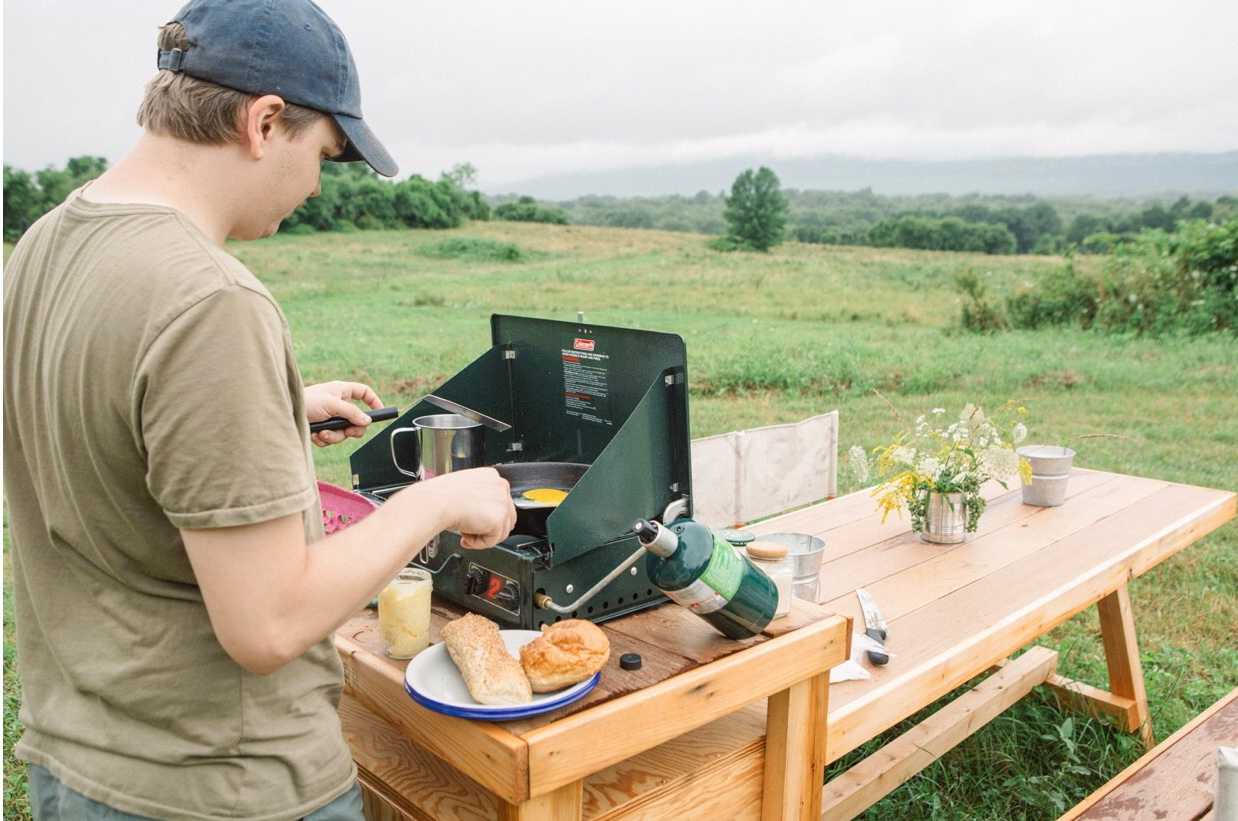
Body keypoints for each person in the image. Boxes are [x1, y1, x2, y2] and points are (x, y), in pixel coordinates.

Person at [2, 1, 516, 818]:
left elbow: (95, 423)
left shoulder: (46, 243)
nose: (315, 185)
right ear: (265, 121)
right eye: (325, 155)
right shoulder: (211, 302)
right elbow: (269, 622)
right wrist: (437, 501)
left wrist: (271, 410)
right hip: (218, 786)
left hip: (78, 765)